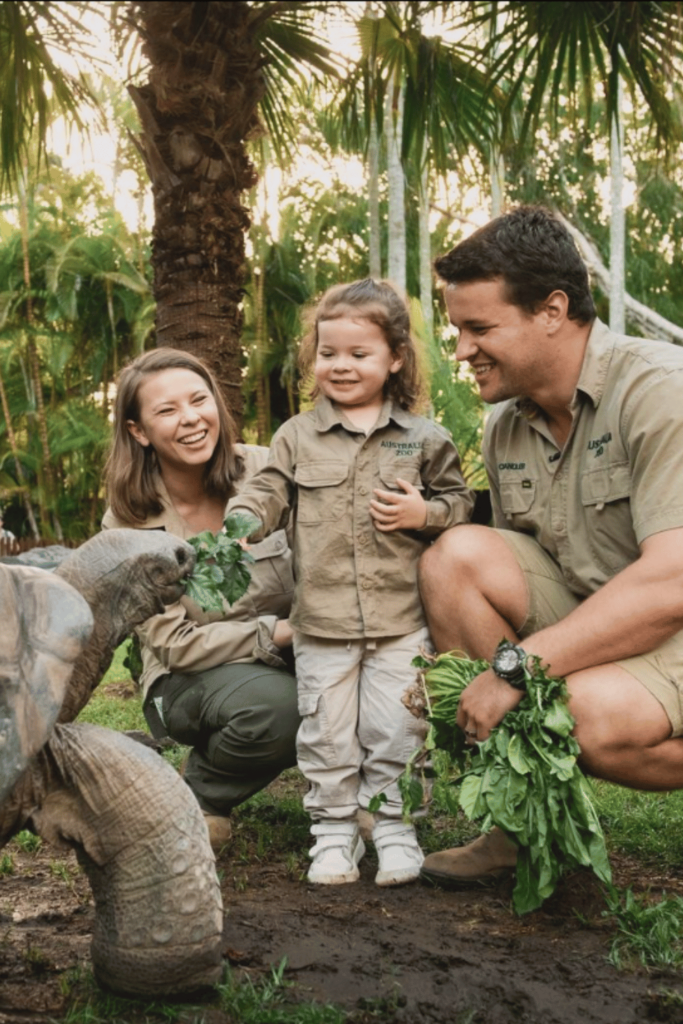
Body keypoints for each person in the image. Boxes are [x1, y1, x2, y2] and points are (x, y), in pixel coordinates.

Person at [418, 204, 683, 887]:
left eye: (479, 328)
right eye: (457, 330)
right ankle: (518, 827)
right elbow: (510, 572)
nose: (463, 349)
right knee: (454, 559)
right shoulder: (504, 426)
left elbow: (671, 583)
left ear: (551, 310)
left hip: (674, 616)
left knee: (586, 719)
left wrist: (513, 670)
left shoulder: (660, 390)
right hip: (598, 613)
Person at [229, 279, 474, 887]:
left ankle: (393, 828)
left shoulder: (426, 438)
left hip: (400, 620)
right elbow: (269, 491)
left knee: (398, 727)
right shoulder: (295, 435)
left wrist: (427, 515)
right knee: (327, 731)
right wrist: (244, 518)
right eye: (327, 352)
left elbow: (460, 504)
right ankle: (334, 833)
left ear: (394, 358)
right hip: (323, 621)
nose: (339, 365)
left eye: (358, 354)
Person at [102, 349, 301, 852]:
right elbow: (172, 644)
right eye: (167, 410)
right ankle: (202, 794)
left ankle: (369, 804)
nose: (191, 418)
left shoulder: (268, 470)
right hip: (187, 678)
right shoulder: (127, 522)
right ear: (139, 430)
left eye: (198, 400)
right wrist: (278, 632)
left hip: (296, 649)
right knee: (283, 707)